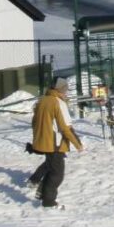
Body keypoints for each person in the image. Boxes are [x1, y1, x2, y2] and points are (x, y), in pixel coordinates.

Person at [27, 77, 83, 209]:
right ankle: (48, 202)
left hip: (44, 141)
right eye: (65, 90)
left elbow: (34, 123)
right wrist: (77, 143)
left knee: (51, 168)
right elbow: (65, 127)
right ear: (60, 90)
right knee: (57, 174)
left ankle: (41, 192)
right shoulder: (58, 103)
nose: (66, 93)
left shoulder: (42, 100)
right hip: (55, 143)